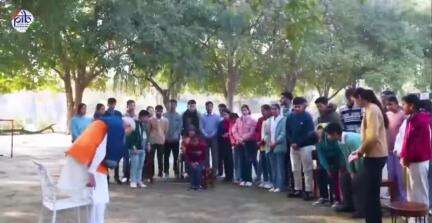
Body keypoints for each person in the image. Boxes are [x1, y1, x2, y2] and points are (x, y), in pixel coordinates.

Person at [58, 115, 126, 223]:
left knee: (94, 197)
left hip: (80, 155)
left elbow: (87, 140)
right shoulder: (116, 128)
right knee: (100, 198)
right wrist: (91, 172)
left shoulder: (101, 123)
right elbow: (101, 151)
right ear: (126, 126)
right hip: (88, 159)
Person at [350, 88, 388, 223]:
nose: (353, 102)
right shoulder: (370, 108)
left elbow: (372, 137)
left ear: (360, 97)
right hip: (374, 155)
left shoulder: (372, 109)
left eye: (354, 99)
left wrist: (360, 151)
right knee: (370, 193)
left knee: (370, 193)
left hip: (375, 156)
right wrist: (360, 151)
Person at [324, 123, 365, 218]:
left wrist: (356, 172)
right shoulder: (340, 141)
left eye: (328, 134)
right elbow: (347, 157)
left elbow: (359, 156)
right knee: (344, 178)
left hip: (365, 163)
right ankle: (348, 204)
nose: (327, 137)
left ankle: (361, 210)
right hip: (355, 164)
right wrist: (351, 171)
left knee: (357, 181)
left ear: (334, 134)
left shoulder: (350, 140)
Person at [400, 94, 431, 215]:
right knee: (412, 191)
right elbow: (406, 141)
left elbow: (417, 145)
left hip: (418, 160)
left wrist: (407, 157)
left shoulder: (421, 120)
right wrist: (404, 156)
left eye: (404, 104)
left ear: (411, 106)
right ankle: (413, 217)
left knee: (420, 191)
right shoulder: (412, 118)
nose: (402, 107)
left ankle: (421, 217)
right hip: (412, 160)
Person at [286, 97, 315, 201]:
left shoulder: (308, 117)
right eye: (295, 106)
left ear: (304, 106)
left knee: (307, 169)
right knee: (295, 169)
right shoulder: (290, 117)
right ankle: (297, 189)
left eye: (299, 106)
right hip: (293, 147)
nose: (297, 108)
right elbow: (287, 131)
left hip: (306, 146)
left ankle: (308, 190)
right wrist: (292, 142)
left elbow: (310, 133)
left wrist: (299, 143)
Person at [385, 95, 407, 202]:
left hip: (399, 151)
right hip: (388, 150)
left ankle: (403, 200)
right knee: (391, 175)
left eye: (390, 104)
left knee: (400, 176)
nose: (388, 107)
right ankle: (393, 200)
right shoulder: (387, 115)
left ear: (396, 104)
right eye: (387, 104)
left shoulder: (403, 115)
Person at [232, 105, 257, 187]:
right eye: (242, 110)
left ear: (249, 110)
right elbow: (234, 130)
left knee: (248, 161)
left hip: (249, 143)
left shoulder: (253, 120)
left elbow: (251, 132)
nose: (244, 111)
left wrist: (242, 138)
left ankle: (249, 179)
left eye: (245, 110)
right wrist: (238, 139)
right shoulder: (238, 120)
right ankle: (243, 179)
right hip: (239, 143)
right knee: (241, 161)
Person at [266, 104, 287, 193]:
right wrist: (269, 142)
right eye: (272, 109)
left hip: (279, 145)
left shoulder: (283, 119)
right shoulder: (270, 120)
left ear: (279, 109)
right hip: (270, 146)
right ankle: (274, 185)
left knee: (279, 167)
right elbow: (267, 133)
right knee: (273, 167)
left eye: (275, 109)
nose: (273, 111)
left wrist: (275, 142)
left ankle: (280, 186)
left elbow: (283, 133)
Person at [128, 110, 151, 188]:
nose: (148, 119)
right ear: (142, 117)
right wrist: (133, 146)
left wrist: (148, 144)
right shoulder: (134, 124)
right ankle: (133, 181)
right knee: (134, 165)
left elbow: (145, 136)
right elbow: (129, 136)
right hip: (135, 148)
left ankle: (139, 180)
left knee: (140, 166)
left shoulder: (143, 125)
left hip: (142, 148)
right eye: (147, 117)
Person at [148, 105, 169, 179]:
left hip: (161, 141)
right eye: (157, 111)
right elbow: (149, 130)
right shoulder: (150, 119)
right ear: (155, 111)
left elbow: (166, 131)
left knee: (160, 158)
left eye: (160, 111)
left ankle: (160, 172)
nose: (158, 112)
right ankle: (151, 173)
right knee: (151, 158)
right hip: (152, 141)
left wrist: (163, 137)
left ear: (162, 111)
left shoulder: (166, 120)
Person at [118, 99, 137, 184]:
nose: (132, 107)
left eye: (133, 105)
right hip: (125, 140)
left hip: (134, 141)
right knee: (126, 159)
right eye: (130, 105)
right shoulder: (123, 117)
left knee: (134, 159)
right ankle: (125, 176)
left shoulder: (137, 117)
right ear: (127, 106)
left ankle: (133, 176)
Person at [164, 99, 183, 178]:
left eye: (174, 104)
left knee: (176, 156)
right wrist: (166, 136)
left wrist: (175, 136)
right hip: (166, 139)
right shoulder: (165, 115)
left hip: (175, 139)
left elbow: (179, 128)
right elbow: (163, 127)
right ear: (168, 105)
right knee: (166, 156)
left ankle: (176, 171)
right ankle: (166, 171)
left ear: (176, 105)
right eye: (171, 104)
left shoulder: (179, 116)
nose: (172, 106)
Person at [201, 101, 221, 175]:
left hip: (214, 138)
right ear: (205, 107)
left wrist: (213, 134)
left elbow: (217, 127)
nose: (209, 107)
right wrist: (205, 134)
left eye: (210, 106)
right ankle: (207, 170)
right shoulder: (202, 116)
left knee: (214, 155)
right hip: (205, 138)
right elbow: (201, 127)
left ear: (212, 107)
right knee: (206, 155)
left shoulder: (217, 116)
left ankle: (214, 172)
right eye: (207, 106)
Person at [255, 104, 272, 187]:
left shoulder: (271, 119)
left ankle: (271, 180)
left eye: (264, 110)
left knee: (269, 163)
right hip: (261, 144)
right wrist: (258, 140)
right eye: (261, 111)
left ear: (268, 111)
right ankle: (265, 179)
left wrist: (264, 140)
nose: (262, 112)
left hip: (269, 143)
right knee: (263, 162)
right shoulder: (260, 120)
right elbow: (257, 131)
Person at [217, 108, 234, 181]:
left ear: (229, 114)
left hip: (231, 143)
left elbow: (234, 131)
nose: (225, 116)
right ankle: (227, 176)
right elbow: (218, 132)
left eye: (226, 114)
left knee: (230, 160)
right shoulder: (221, 123)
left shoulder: (232, 122)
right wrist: (222, 135)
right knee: (225, 160)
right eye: (223, 115)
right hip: (223, 143)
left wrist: (229, 134)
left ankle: (231, 176)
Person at [229, 112, 241, 184]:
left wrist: (238, 141)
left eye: (234, 118)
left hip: (240, 143)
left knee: (240, 161)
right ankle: (237, 177)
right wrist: (233, 142)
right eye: (232, 119)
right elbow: (230, 134)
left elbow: (241, 133)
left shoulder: (240, 123)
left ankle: (241, 177)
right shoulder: (231, 124)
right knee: (235, 162)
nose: (233, 120)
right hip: (234, 145)